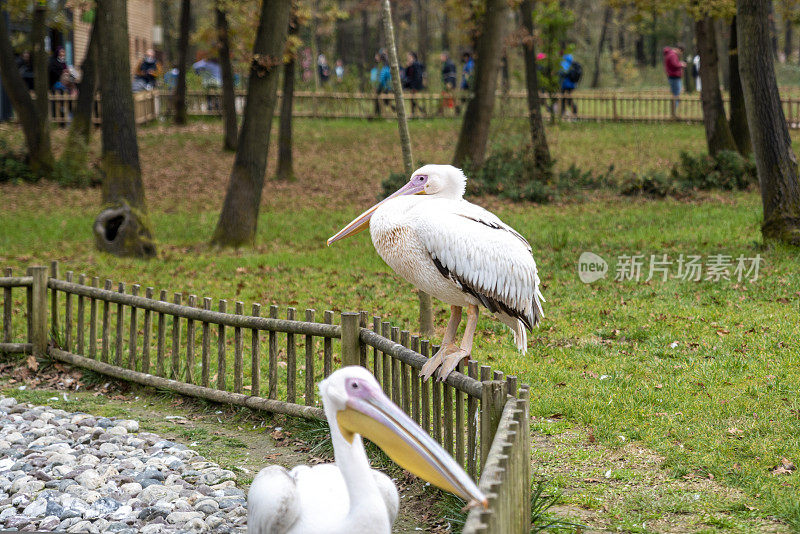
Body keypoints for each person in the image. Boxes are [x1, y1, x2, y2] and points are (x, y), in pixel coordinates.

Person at [663, 43, 686, 116]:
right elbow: (674, 64)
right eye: (681, 52)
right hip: (674, 77)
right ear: (679, 50)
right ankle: (674, 113)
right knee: (676, 95)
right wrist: (681, 64)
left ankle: (674, 112)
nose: (681, 54)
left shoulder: (671, 54)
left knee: (676, 94)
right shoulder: (672, 55)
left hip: (673, 77)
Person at [403, 51, 425, 116]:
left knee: (414, 99)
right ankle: (414, 113)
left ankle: (419, 112)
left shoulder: (416, 64)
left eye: (409, 57)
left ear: (412, 57)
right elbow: (407, 75)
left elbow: (417, 76)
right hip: (412, 85)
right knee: (412, 99)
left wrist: (414, 87)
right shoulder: (411, 65)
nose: (407, 58)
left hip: (415, 86)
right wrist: (408, 67)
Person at [558, 53, 579, 117]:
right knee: (568, 98)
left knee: (564, 99)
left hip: (565, 85)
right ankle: (572, 111)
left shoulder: (564, 64)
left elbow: (561, 73)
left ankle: (563, 112)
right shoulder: (572, 65)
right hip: (571, 85)